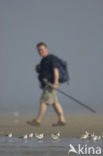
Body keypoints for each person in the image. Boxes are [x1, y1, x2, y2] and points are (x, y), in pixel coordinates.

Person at [27, 42, 66, 126]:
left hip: (51, 84)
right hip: (47, 84)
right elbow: (44, 72)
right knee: (55, 102)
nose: (40, 51)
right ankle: (62, 120)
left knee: (44, 101)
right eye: (39, 50)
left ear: (46, 49)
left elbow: (56, 70)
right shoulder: (43, 60)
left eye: (42, 49)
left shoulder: (51, 58)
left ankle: (37, 121)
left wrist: (55, 83)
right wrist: (38, 69)